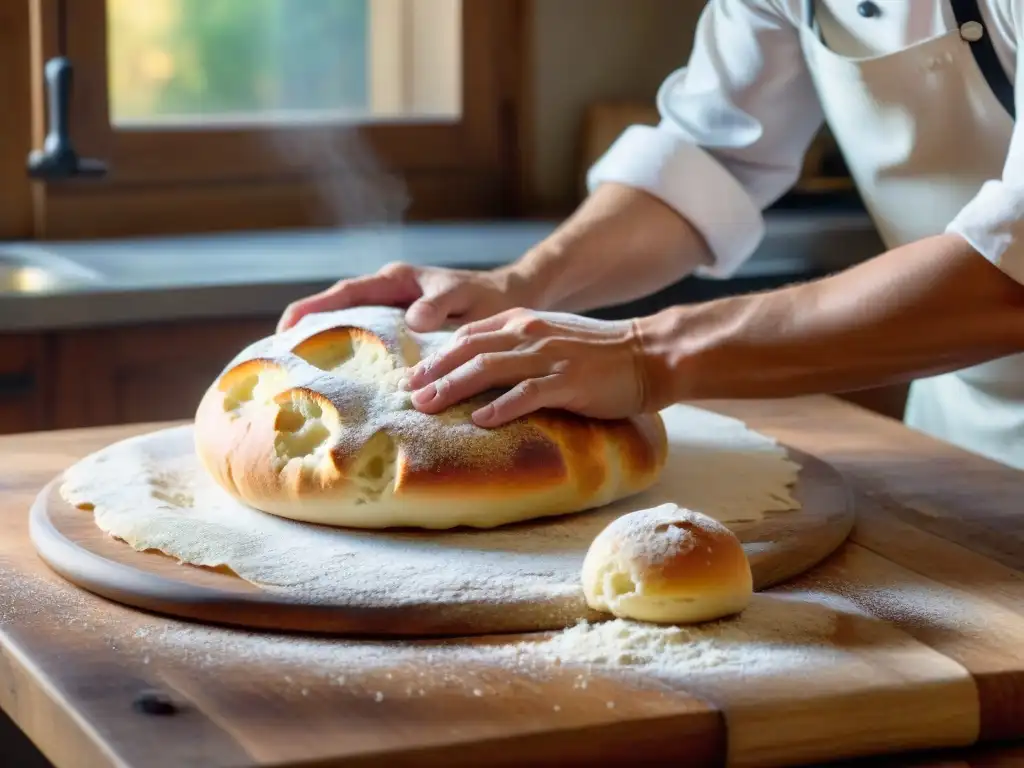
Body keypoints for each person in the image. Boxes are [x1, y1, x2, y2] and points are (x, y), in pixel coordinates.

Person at [279, 0, 1024, 470]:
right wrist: (520, 284)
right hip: (962, 438)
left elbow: (1008, 276)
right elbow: (711, 157)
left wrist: (649, 356)